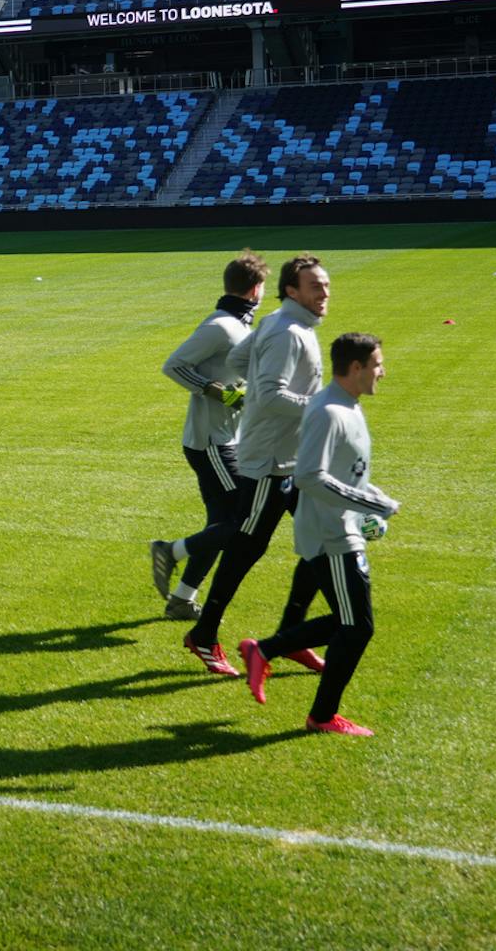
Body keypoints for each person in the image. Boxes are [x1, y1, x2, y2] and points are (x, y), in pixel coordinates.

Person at [241, 333, 400, 737]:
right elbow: (309, 476)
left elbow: (346, 470)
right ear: (356, 367)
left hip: (342, 528)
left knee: (352, 623)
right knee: (357, 626)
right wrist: (369, 504)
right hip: (331, 534)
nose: (383, 372)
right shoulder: (328, 411)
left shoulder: (347, 405)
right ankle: (321, 714)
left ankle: (268, 650)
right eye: (377, 364)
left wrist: (374, 497)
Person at [179, 256, 330, 677]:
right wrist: (321, 406)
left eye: (326, 284)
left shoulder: (282, 323)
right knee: (246, 547)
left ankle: (291, 636)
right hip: (271, 461)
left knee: (319, 539)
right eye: (315, 286)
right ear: (290, 290)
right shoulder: (287, 331)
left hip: (291, 457)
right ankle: (204, 632)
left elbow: (239, 360)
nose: (324, 292)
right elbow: (270, 393)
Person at [149, 252, 269, 620]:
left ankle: (182, 600)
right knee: (244, 520)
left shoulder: (238, 326)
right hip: (212, 443)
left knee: (221, 524)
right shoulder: (221, 326)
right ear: (255, 289)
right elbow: (174, 365)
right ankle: (170, 551)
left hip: (226, 440)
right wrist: (216, 391)